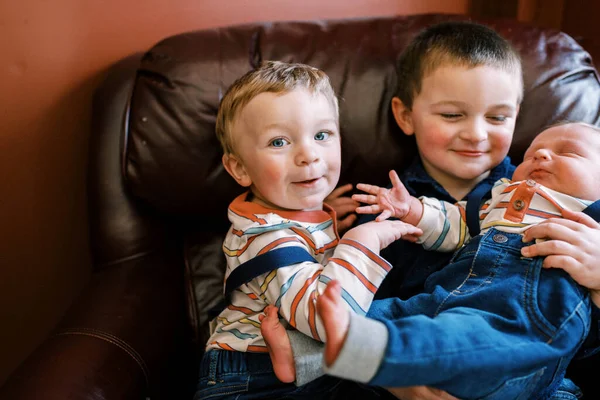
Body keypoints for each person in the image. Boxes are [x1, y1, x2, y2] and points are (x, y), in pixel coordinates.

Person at [260, 21, 600, 400]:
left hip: (526, 370)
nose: (476, 133)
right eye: (453, 115)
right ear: (405, 116)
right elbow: (357, 307)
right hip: (402, 373)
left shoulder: (568, 201)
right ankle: (302, 351)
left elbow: (571, 331)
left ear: (517, 116)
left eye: (498, 117)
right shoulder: (380, 207)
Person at [313, 121, 600, 400]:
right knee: (362, 314)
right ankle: (297, 348)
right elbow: (455, 221)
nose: (541, 154)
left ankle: (377, 350)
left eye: (569, 152)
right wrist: (412, 210)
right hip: (446, 297)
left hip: (520, 307)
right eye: (530, 154)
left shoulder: (592, 222)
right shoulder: (497, 198)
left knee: (477, 338)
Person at [194, 60, 422, 400]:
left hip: (302, 368)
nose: (309, 155)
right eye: (279, 142)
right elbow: (324, 319)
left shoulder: (295, 213)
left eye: (321, 135)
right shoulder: (266, 238)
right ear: (240, 168)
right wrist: (362, 241)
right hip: (250, 380)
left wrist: (321, 214)